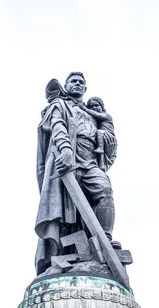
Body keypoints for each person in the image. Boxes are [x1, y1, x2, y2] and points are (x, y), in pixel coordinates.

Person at [35, 72, 118, 275]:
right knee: (64, 214)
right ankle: (61, 258)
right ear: (67, 85)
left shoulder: (92, 113)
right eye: (74, 81)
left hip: (89, 160)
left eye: (81, 82)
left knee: (104, 190)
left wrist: (105, 134)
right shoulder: (60, 105)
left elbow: (110, 142)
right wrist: (65, 149)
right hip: (66, 161)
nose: (78, 84)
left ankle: (103, 240)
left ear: (85, 88)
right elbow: (57, 126)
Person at [80, 97, 115, 172]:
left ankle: (100, 148)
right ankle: (101, 164)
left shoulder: (106, 116)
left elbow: (96, 115)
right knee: (100, 153)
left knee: (99, 132)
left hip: (107, 135)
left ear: (102, 107)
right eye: (91, 107)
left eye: (96, 105)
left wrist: (84, 108)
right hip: (101, 138)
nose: (94, 108)